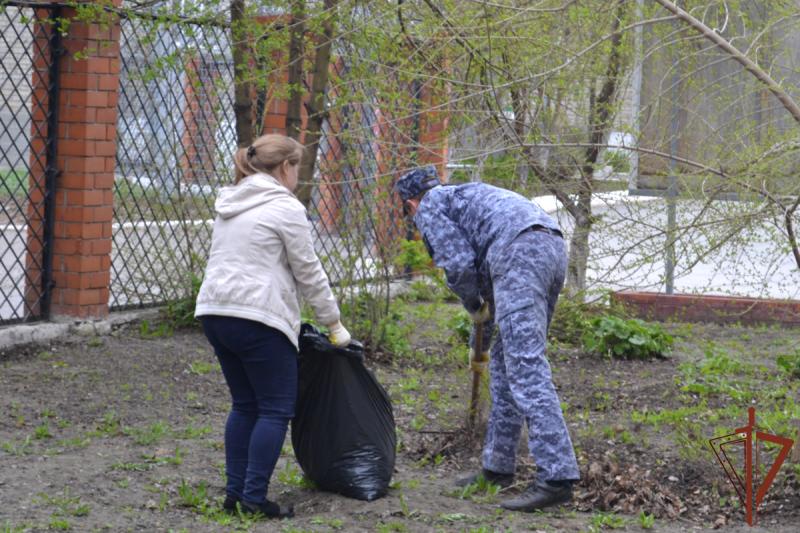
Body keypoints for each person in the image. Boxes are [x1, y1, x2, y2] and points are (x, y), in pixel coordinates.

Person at [394, 165, 580, 512]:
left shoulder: (431, 205)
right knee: (506, 363)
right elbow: (488, 286)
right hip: (548, 247)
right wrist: (478, 342)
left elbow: (461, 266)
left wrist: (472, 304)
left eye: (407, 212)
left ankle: (557, 478)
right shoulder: (466, 199)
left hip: (519, 253)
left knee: (525, 367)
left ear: (410, 204)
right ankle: (497, 467)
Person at [195, 134, 351, 518]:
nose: (298, 174)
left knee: (245, 404)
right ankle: (253, 497)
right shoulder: (284, 207)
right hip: (257, 317)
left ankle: (235, 494)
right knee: (275, 409)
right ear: (286, 167)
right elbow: (308, 271)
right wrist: (334, 323)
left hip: (215, 312)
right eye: (297, 166)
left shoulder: (231, 202)